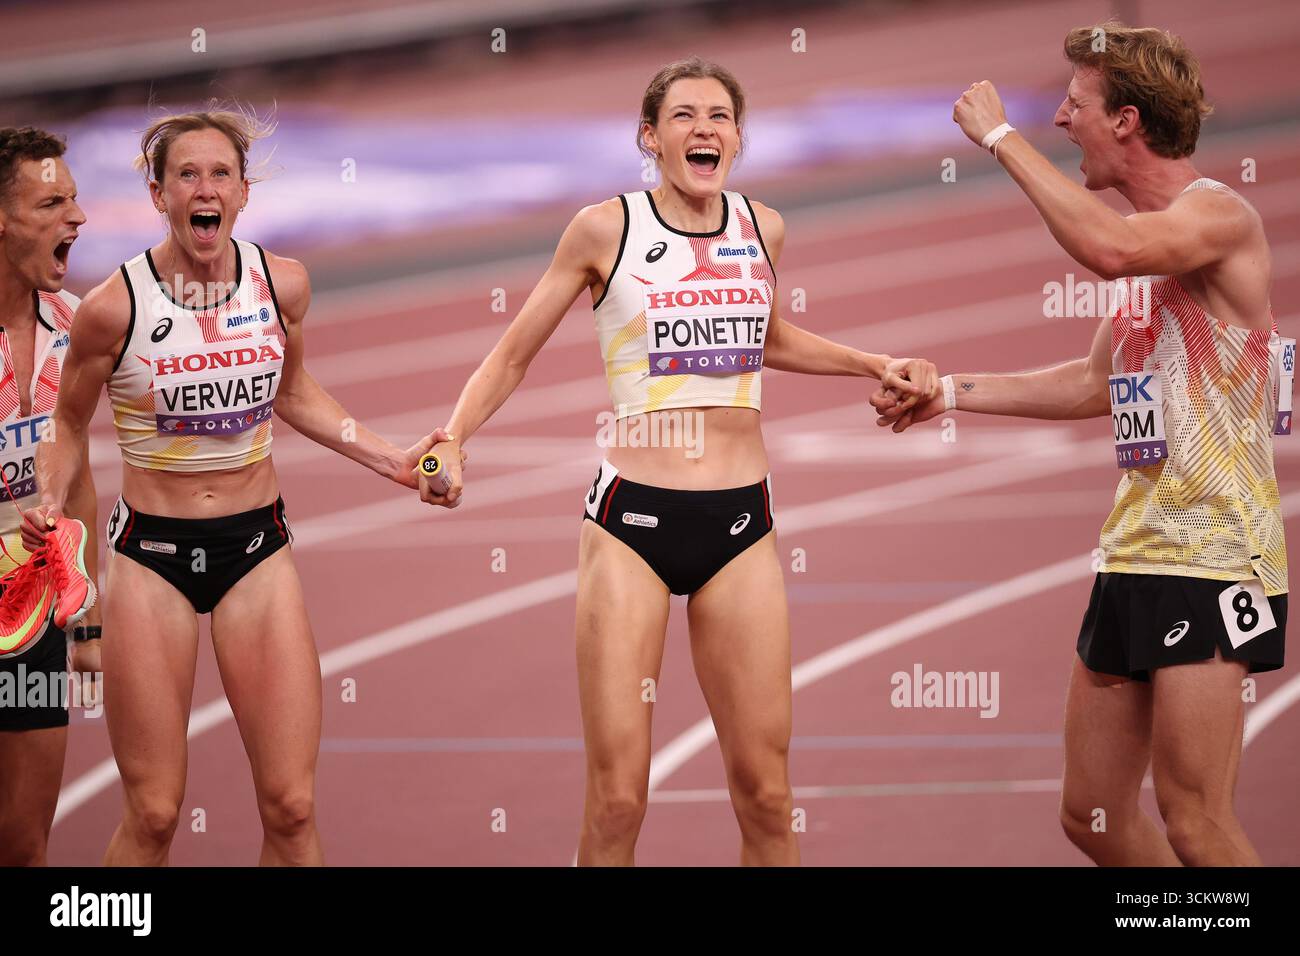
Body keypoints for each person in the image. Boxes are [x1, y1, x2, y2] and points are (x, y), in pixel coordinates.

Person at [417, 57, 937, 865]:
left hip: (740, 523)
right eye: (686, 116)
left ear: (738, 136)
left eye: (721, 116)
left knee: (766, 792)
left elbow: (760, 334)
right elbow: (515, 352)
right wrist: (454, 434)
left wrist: (873, 364)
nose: (705, 129)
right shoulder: (605, 230)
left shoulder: (763, 227)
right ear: (650, 137)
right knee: (620, 797)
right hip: (633, 525)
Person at [872, 22, 1288, 866]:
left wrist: (998, 137)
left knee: (1196, 821)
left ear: (1127, 120)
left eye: (1076, 104)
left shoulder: (1217, 217)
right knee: (1092, 812)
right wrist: (948, 393)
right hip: (1134, 552)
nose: (1062, 120)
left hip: (1214, 557)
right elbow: (1096, 386)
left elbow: (1105, 247)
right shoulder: (1152, 261)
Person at [31, 107, 449, 866]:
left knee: (291, 807)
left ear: (243, 193)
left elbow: (292, 392)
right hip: (151, 559)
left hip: (256, 552)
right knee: (156, 813)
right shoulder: (113, 309)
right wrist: (51, 499)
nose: (205, 188)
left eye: (220, 173)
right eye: (186, 174)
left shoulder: (281, 284)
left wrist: (393, 458)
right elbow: (65, 425)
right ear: (159, 196)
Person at [0, 125, 101, 866]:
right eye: (52, 202)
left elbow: (84, 478)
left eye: (74, 198)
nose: (78, 216)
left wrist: (88, 624)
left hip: (33, 624)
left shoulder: (72, 328)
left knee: (25, 841)